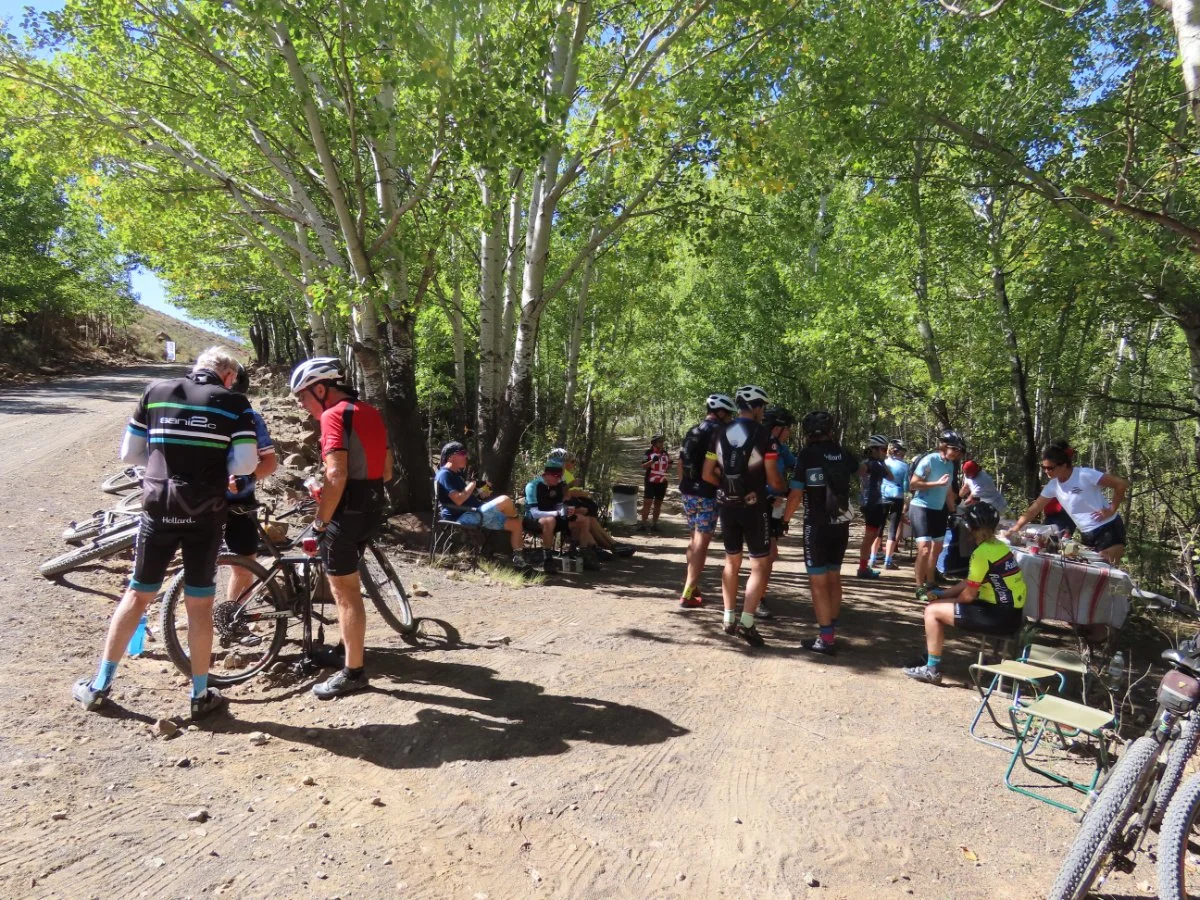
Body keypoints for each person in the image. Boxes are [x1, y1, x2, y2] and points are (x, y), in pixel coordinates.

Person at [73, 347, 259, 718]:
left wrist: (165, 462)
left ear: (196, 368)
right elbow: (245, 463)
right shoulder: (235, 404)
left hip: (159, 510)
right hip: (205, 516)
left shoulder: (155, 391)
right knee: (199, 604)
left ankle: (99, 686)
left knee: (138, 594)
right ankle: (200, 695)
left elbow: (129, 453)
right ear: (227, 376)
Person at [290, 356, 392, 699]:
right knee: (349, 584)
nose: (303, 406)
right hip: (373, 505)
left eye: (303, 397)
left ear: (321, 389)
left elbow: (336, 474)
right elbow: (388, 470)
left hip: (346, 512)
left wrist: (320, 522)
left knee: (345, 594)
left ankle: (353, 672)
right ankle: (348, 650)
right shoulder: (371, 413)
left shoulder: (334, 416)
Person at [904, 502, 1026, 684]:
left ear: (969, 528)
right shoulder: (998, 546)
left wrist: (944, 602)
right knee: (939, 607)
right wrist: (943, 594)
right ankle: (929, 655)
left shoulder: (981, 554)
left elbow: (968, 596)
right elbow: (970, 582)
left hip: (999, 617)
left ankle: (932, 669)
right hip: (1012, 614)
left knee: (932, 611)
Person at [700, 385, 783, 647]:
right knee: (759, 563)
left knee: (731, 561)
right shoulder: (764, 435)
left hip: (726, 504)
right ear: (757, 407)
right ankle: (747, 622)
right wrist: (782, 488)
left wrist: (725, 485)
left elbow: (706, 474)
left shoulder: (720, 432)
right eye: (763, 407)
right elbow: (772, 477)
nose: (763, 412)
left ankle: (727, 617)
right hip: (754, 506)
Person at [783, 410, 862, 655]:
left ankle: (826, 638)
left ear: (807, 433)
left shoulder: (807, 455)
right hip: (840, 524)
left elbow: (796, 493)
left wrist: (784, 520)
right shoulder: (843, 452)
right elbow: (860, 472)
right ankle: (832, 628)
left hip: (816, 525)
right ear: (830, 430)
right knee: (834, 575)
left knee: (818, 582)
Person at [1005, 440, 1129, 565]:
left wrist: (1112, 509)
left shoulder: (1084, 474)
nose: (1047, 471)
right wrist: (1014, 529)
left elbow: (1121, 484)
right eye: (1044, 468)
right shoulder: (1053, 485)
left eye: (1050, 468)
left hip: (1108, 529)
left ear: (1064, 465)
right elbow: (1034, 509)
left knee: (1106, 571)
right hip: (1086, 533)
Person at [223, 365, 279, 608]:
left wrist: (246, 479)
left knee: (244, 566)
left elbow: (270, 462)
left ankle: (232, 618)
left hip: (240, 503)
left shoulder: (252, 419)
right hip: (203, 499)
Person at [676, 393, 736, 608]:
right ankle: (688, 592)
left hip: (687, 492)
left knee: (694, 540)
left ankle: (692, 585)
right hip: (707, 493)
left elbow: (680, 462)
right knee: (702, 543)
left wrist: (684, 485)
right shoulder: (720, 432)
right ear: (721, 413)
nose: (730, 419)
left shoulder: (693, 430)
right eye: (729, 415)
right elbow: (714, 469)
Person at [435, 441, 528, 568]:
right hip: (463, 516)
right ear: (450, 457)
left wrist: (480, 494)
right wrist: (472, 485)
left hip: (473, 511)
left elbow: (464, 497)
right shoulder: (445, 474)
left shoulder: (455, 475)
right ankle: (517, 516)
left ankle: (519, 561)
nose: (466, 456)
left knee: (516, 524)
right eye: (462, 453)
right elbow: (458, 500)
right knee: (505, 500)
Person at [909, 430, 966, 601]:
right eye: (954, 449)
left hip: (939, 510)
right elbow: (913, 484)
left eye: (959, 450)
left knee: (937, 549)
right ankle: (919, 587)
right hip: (921, 508)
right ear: (944, 445)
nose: (957, 453)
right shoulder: (929, 460)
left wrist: (953, 509)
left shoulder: (950, 464)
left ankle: (931, 582)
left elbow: (947, 489)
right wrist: (936, 483)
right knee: (925, 549)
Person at [548, 447, 634, 560]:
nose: (573, 464)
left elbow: (566, 494)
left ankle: (610, 546)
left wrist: (575, 494)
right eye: (571, 462)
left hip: (566, 509)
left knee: (589, 519)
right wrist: (574, 493)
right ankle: (601, 547)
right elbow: (559, 497)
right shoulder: (551, 477)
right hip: (557, 513)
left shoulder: (563, 475)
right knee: (584, 518)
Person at [758, 405, 800, 619]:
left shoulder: (780, 447)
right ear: (778, 428)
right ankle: (757, 599)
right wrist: (771, 495)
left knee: (769, 555)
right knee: (766, 555)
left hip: (775, 506)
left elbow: (797, 464)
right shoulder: (760, 444)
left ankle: (759, 596)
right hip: (760, 504)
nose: (790, 432)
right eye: (788, 428)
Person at [525, 458, 595, 570]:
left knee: (583, 520)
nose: (558, 480)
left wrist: (567, 510)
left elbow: (558, 504)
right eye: (557, 477)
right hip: (535, 519)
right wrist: (557, 512)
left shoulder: (557, 485)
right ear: (547, 475)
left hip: (555, 517)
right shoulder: (532, 486)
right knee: (549, 520)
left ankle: (583, 556)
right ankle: (547, 559)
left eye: (560, 477)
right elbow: (534, 513)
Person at [855, 434, 894, 579]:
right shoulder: (875, 464)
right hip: (872, 503)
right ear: (875, 449)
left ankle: (864, 567)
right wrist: (882, 462)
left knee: (871, 536)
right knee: (869, 536)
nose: (885, 453)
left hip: (869, 502)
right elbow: (891, 477)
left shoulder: (867, 462)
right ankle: (863, 568)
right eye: (883, 450)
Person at [874, 439, 909, 571]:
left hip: (882, 496)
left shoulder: (883, 462)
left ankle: (872, 558)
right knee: (892, 529)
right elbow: (906, 486)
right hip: (897, 497)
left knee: (879, 527)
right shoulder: (905, 466)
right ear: (899, 451)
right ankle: (888, 561)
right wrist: (907, 501)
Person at [639, 435, 670, 531]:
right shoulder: (647, 452)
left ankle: (655, 524)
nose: (661, 443)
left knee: (658, 503)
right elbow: (643, 466)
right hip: (650, 481)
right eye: (659, 442)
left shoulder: (665, 453)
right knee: (647, 502)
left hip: (662, 481)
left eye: (662, 442)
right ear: (654, 443)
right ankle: (643, 524)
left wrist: (668, 466)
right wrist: (653, 461)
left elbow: (668, 466)